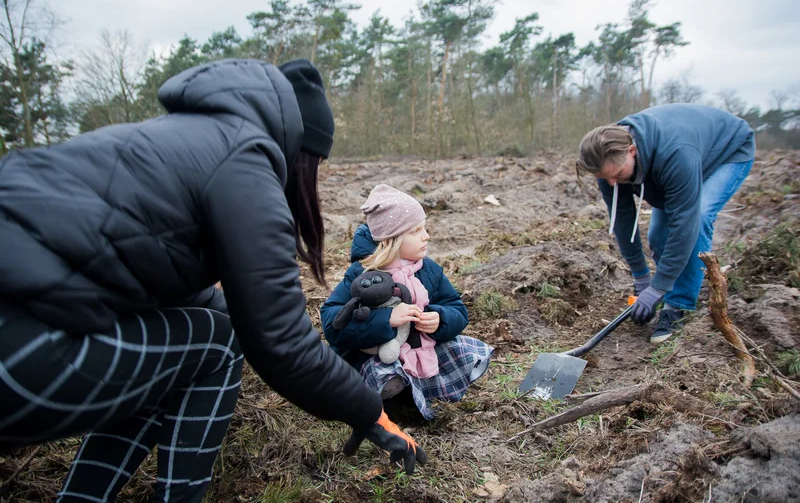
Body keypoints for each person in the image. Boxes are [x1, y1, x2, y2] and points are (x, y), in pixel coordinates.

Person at [0, 58, 425, 502]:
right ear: (300, 151)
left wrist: (254, 319)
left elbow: (186, 295)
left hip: (22, 334)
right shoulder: (244, 162)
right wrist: (369, 412)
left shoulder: (180, 142)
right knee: (221, 344)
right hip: (19, 352)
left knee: (176, 346)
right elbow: (278, 344)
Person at [576, 103, 755, 344]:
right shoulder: (607, 165)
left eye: (616, 175)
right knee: (659, 232)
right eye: (603, 178)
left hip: (727, 151)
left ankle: (678, 305)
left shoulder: (675, 154)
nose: (611, 183)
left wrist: (657, 288)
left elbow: (684, 226)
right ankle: (669, 287)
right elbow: (623, 221)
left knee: (698, 217)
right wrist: (641, 277)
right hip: (682, 157)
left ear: (631, 151)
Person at [321, 184, 493, 420]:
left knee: (460, 348)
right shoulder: (363, 275)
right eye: (416, 231)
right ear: (392, 240)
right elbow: (332, 323)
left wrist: (439, 319)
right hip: (375, 356)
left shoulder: (428, 270)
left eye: (424, 228)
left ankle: (417, 391)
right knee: (386, 375)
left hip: (418, 348)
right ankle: (387, 401)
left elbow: (457, 309)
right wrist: (385, 320)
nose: (427, 236)